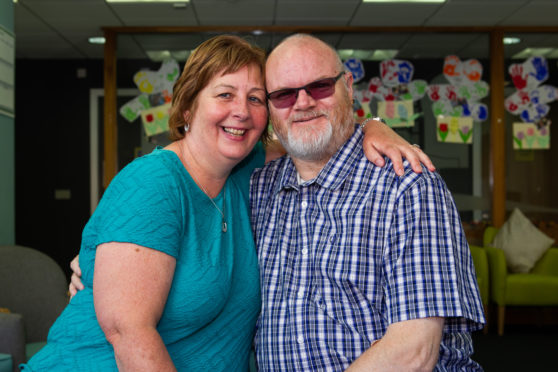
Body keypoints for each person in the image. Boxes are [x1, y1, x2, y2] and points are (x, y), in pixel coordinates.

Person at [31, 35, 433, 371]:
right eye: (225, 94)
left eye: (257, 99)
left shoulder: (248, 174)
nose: (241, 112)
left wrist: (374, 127)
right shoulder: (154, 182)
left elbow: (313, 129)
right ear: (188, 106)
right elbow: (128, 332)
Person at [250, 34, 485, 371]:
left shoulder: (409, 186)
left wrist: (372, 124)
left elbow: (414, 353)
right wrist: (373, 124)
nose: (302, 103)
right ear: (270, 107)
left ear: (348, 87)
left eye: (319, 86)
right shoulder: (259, 189)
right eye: (284, 94)